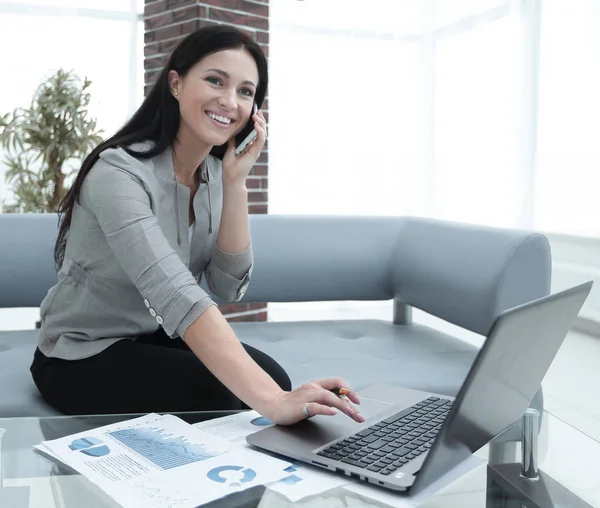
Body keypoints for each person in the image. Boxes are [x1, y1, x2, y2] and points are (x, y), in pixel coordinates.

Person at [30, 25, 364, 426]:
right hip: (79, 353)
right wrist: (274, 401)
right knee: (232, 393)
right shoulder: (118, 172)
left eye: (245, 91)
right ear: (175, 83)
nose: (229, 101)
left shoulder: (212, 174)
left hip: (148, 336)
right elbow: (176, 294)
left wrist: (235, 183)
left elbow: (225, 287)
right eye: (215, 80)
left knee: (273, 377)